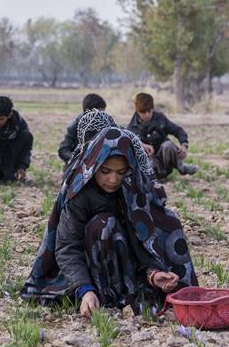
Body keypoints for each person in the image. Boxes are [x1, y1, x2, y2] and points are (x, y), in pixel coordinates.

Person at [21, 124, 198, 317]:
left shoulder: (132, 189)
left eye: (121, 172)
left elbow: (141, 238)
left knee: (168, 219)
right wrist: (85, 290)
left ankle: (146, 290)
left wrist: (152, 273)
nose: (113, 179)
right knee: (104, 224)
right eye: (105, 171)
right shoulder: (80, 195)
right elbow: (67, 247)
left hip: (124, 264)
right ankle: (100, 295)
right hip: (83, 270)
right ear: (93, 165)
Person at [126, 92, 197, 180]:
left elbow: (178, 130)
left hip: (165, 158)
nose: (147, 114)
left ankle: (180, 167)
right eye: (143, 112)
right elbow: (126, 144)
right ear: (137, 111)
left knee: (168, 145)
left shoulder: (160, 118)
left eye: (149, 111)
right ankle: (151, 178)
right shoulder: (131, 127)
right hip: (149, 163)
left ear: (153, 108)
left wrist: (184, 144)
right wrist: (141, 145)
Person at [58, 93, 107, 164]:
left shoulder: (106, 126)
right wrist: (75, 159)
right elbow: (63, 149)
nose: (101, 116)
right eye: (98, 113)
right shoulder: (75, 126)